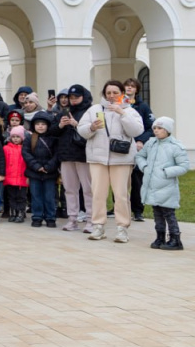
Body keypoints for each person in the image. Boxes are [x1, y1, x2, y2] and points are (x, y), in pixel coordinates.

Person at [77, 80, 144, 243]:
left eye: (115, 92)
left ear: (122, 93)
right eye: (108, 93)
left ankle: (122, 228)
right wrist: (91, 127)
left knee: (121, 194)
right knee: (98, 193)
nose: (112, 96)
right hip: (97, 158)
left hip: (121, 159)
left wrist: (122, 114)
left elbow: (136, 131)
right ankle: (98, 225)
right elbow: (81, 130)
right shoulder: (94, 110)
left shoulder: (130, 110)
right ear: (104, 94)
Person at [135, 117, 188, 250]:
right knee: (156, 211)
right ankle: (160, 237)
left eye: (160, 128)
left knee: (168, 212)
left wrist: (166, 172)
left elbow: (184, 165)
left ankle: (175, 239)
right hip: (152, 185)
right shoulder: (151, 143)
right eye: (155, 128)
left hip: (166, 186)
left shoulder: (175, 146)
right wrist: (145, 167)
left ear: (168, 130)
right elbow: (140, 156)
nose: (156, 131)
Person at [51, 84, 94, 232]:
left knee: (88, 189)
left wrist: (77, 125)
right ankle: (72, 218)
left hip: (83, 155)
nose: (73, 100)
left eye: (76, 97)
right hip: (66, 155)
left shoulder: (90, 112)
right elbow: (52, 132)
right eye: (71, 97)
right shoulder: (64, 112)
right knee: (69, 188)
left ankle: (91, 220)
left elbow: (93, 133)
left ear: (84, 97)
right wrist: (61, 125)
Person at [123, 77, 155, 223]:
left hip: (138, 148)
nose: (129, 88)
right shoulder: (119, 105)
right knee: (121, 180)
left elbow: (150, 128)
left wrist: (141, 140)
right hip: (122, 147)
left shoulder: (143, 107)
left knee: (137, 180)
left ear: (136, 89)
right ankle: (119, 207)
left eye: (132, 86)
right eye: (127, 86)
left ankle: (138, 210)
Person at [22, 111, 59, 228]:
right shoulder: (29, 138)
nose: (40, 126)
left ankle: (50, 217)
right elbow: (26, 153)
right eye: (38, 124)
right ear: (34, 125)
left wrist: (48, 166)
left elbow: (57, 154)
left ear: (48, 125)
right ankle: (37, 217)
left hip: (50, 172)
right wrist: (36, 166)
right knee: (36, 196)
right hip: (34, 172)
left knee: (50, 196)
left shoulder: (53, 138)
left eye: (43, 124)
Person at [2, 126, 29, 223]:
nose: (16, 139)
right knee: (11, 196)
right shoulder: (6, 148)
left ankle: (20, 213)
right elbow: (3, 162)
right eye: (13, 137)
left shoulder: (25, 149)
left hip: (22, 178)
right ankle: (13, 212)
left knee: (21, 197)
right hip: (10, 177)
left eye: (18, 137)